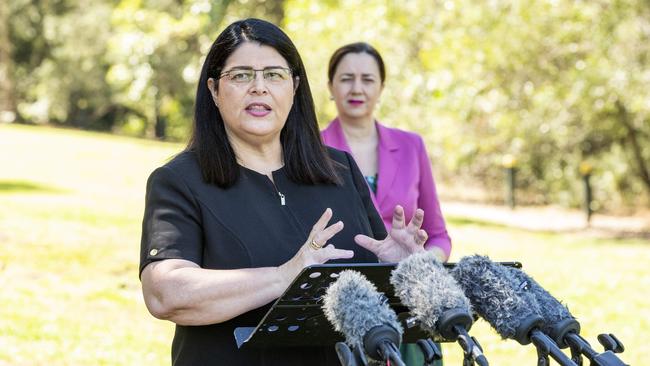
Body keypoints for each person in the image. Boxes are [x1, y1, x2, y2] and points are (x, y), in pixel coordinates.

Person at [139, 19, 430, 366]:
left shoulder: (340, 171)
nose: (259, 88)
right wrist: (286, 275)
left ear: (294, 87)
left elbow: (368, 297)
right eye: (242, 75)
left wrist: (396, 267)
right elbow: (165, 293)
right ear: (215, 90)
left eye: (274, 75)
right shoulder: (178, 181)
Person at [321, 42, 452, 365]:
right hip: (341, 309)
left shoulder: (411, 146)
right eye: (346, 78)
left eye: (367, 79)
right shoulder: (310, 150)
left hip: (409, 305)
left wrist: (419, 263)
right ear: (330, 87)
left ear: (381, 88)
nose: (356, 88)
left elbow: (438, 235)